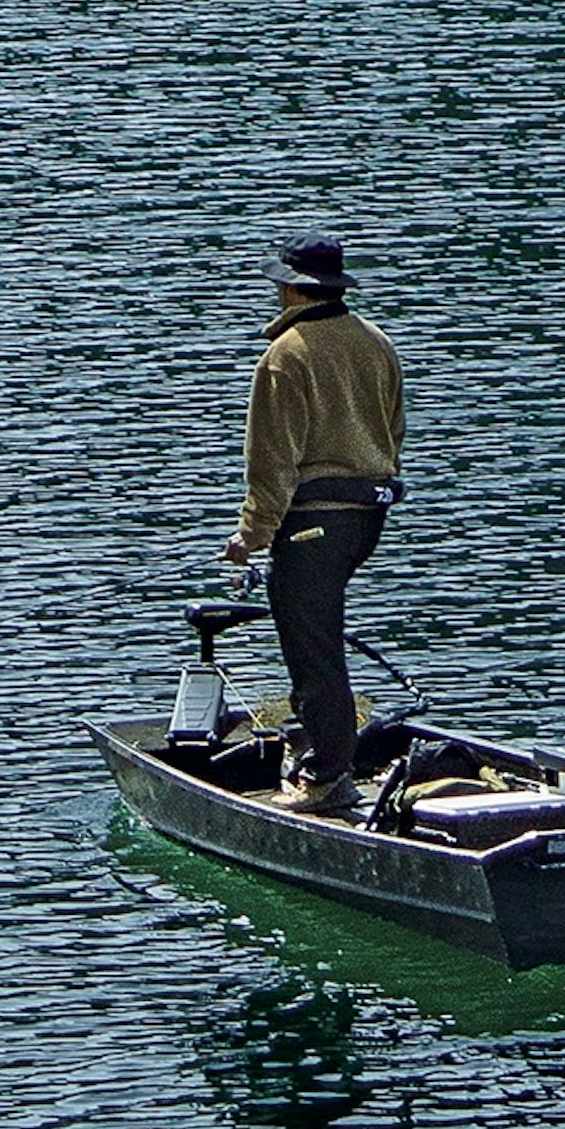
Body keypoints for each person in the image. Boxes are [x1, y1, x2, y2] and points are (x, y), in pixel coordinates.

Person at [225, 235, 404, 814]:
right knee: (323, 639)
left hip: (311, 525)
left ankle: (327, 778)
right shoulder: (376, 342)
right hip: (367, 518)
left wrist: (250, 535)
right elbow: (393, 432)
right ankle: (332, 755)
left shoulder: (286, 355)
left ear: (291, 288)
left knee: (313, 651)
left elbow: (272, 461)